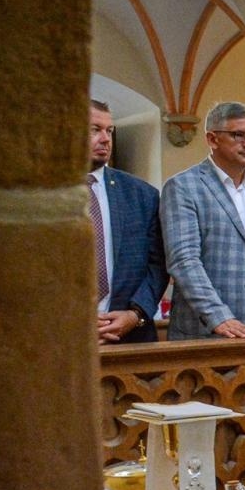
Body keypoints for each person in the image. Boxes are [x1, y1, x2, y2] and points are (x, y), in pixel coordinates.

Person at [162, 102, 245, 339]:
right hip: (207, 328)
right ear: (212, 139)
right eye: (238, 135)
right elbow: (184, 260)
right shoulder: (184, 187)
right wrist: (218, 316)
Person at [87, 98, 167, 344]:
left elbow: (158, 264)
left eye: (109, 130)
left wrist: (135, 314)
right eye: (94, 130)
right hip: (60, 338)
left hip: (130, 335)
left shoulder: (141, 194)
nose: (105, 139)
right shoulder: (42, 193)